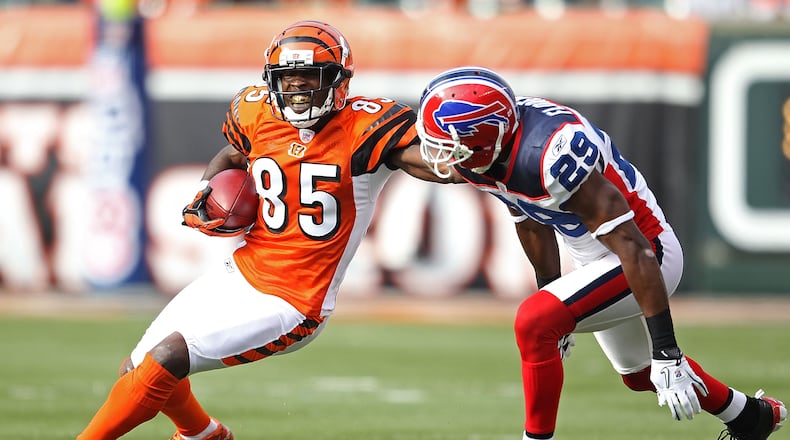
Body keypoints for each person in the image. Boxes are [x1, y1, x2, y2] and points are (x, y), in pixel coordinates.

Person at [77, 20, 450, 440]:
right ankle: (203, 434)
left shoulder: (365, 127)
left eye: (310, 77)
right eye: (287, 78)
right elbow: (234, 154)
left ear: (339, 80)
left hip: (295, 301)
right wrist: (206, 192)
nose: (298, 89)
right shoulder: (255, 111)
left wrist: (463, 163)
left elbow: (426, 163)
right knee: (137, 368)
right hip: (243, 270)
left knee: (167, 357)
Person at [415, 66, 787, 440]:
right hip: (595, 258)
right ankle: (750, 417)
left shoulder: (547, 154)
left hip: (648, 253)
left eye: (447, 142)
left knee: (534, 321)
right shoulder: (490, 152)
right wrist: (550, 288)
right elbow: (529, 219)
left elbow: (634, 247)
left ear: (485, 135)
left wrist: (668, 350)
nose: (441, 153)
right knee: (640, 375)